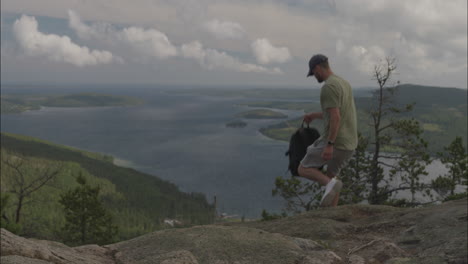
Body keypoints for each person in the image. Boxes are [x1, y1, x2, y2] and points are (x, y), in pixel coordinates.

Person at [298, 54, 358, 207]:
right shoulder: (343, 83)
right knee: (333, 177)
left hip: (336, 142)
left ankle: (328, 185)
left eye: (313, 73)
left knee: (303, 168)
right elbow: (337, 113)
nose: (314, 76)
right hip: (349, 144)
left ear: (318, 68)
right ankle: (333, 214)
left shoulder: (328, 87)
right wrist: (315, 116)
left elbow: (336, 117)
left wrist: (329, 144)